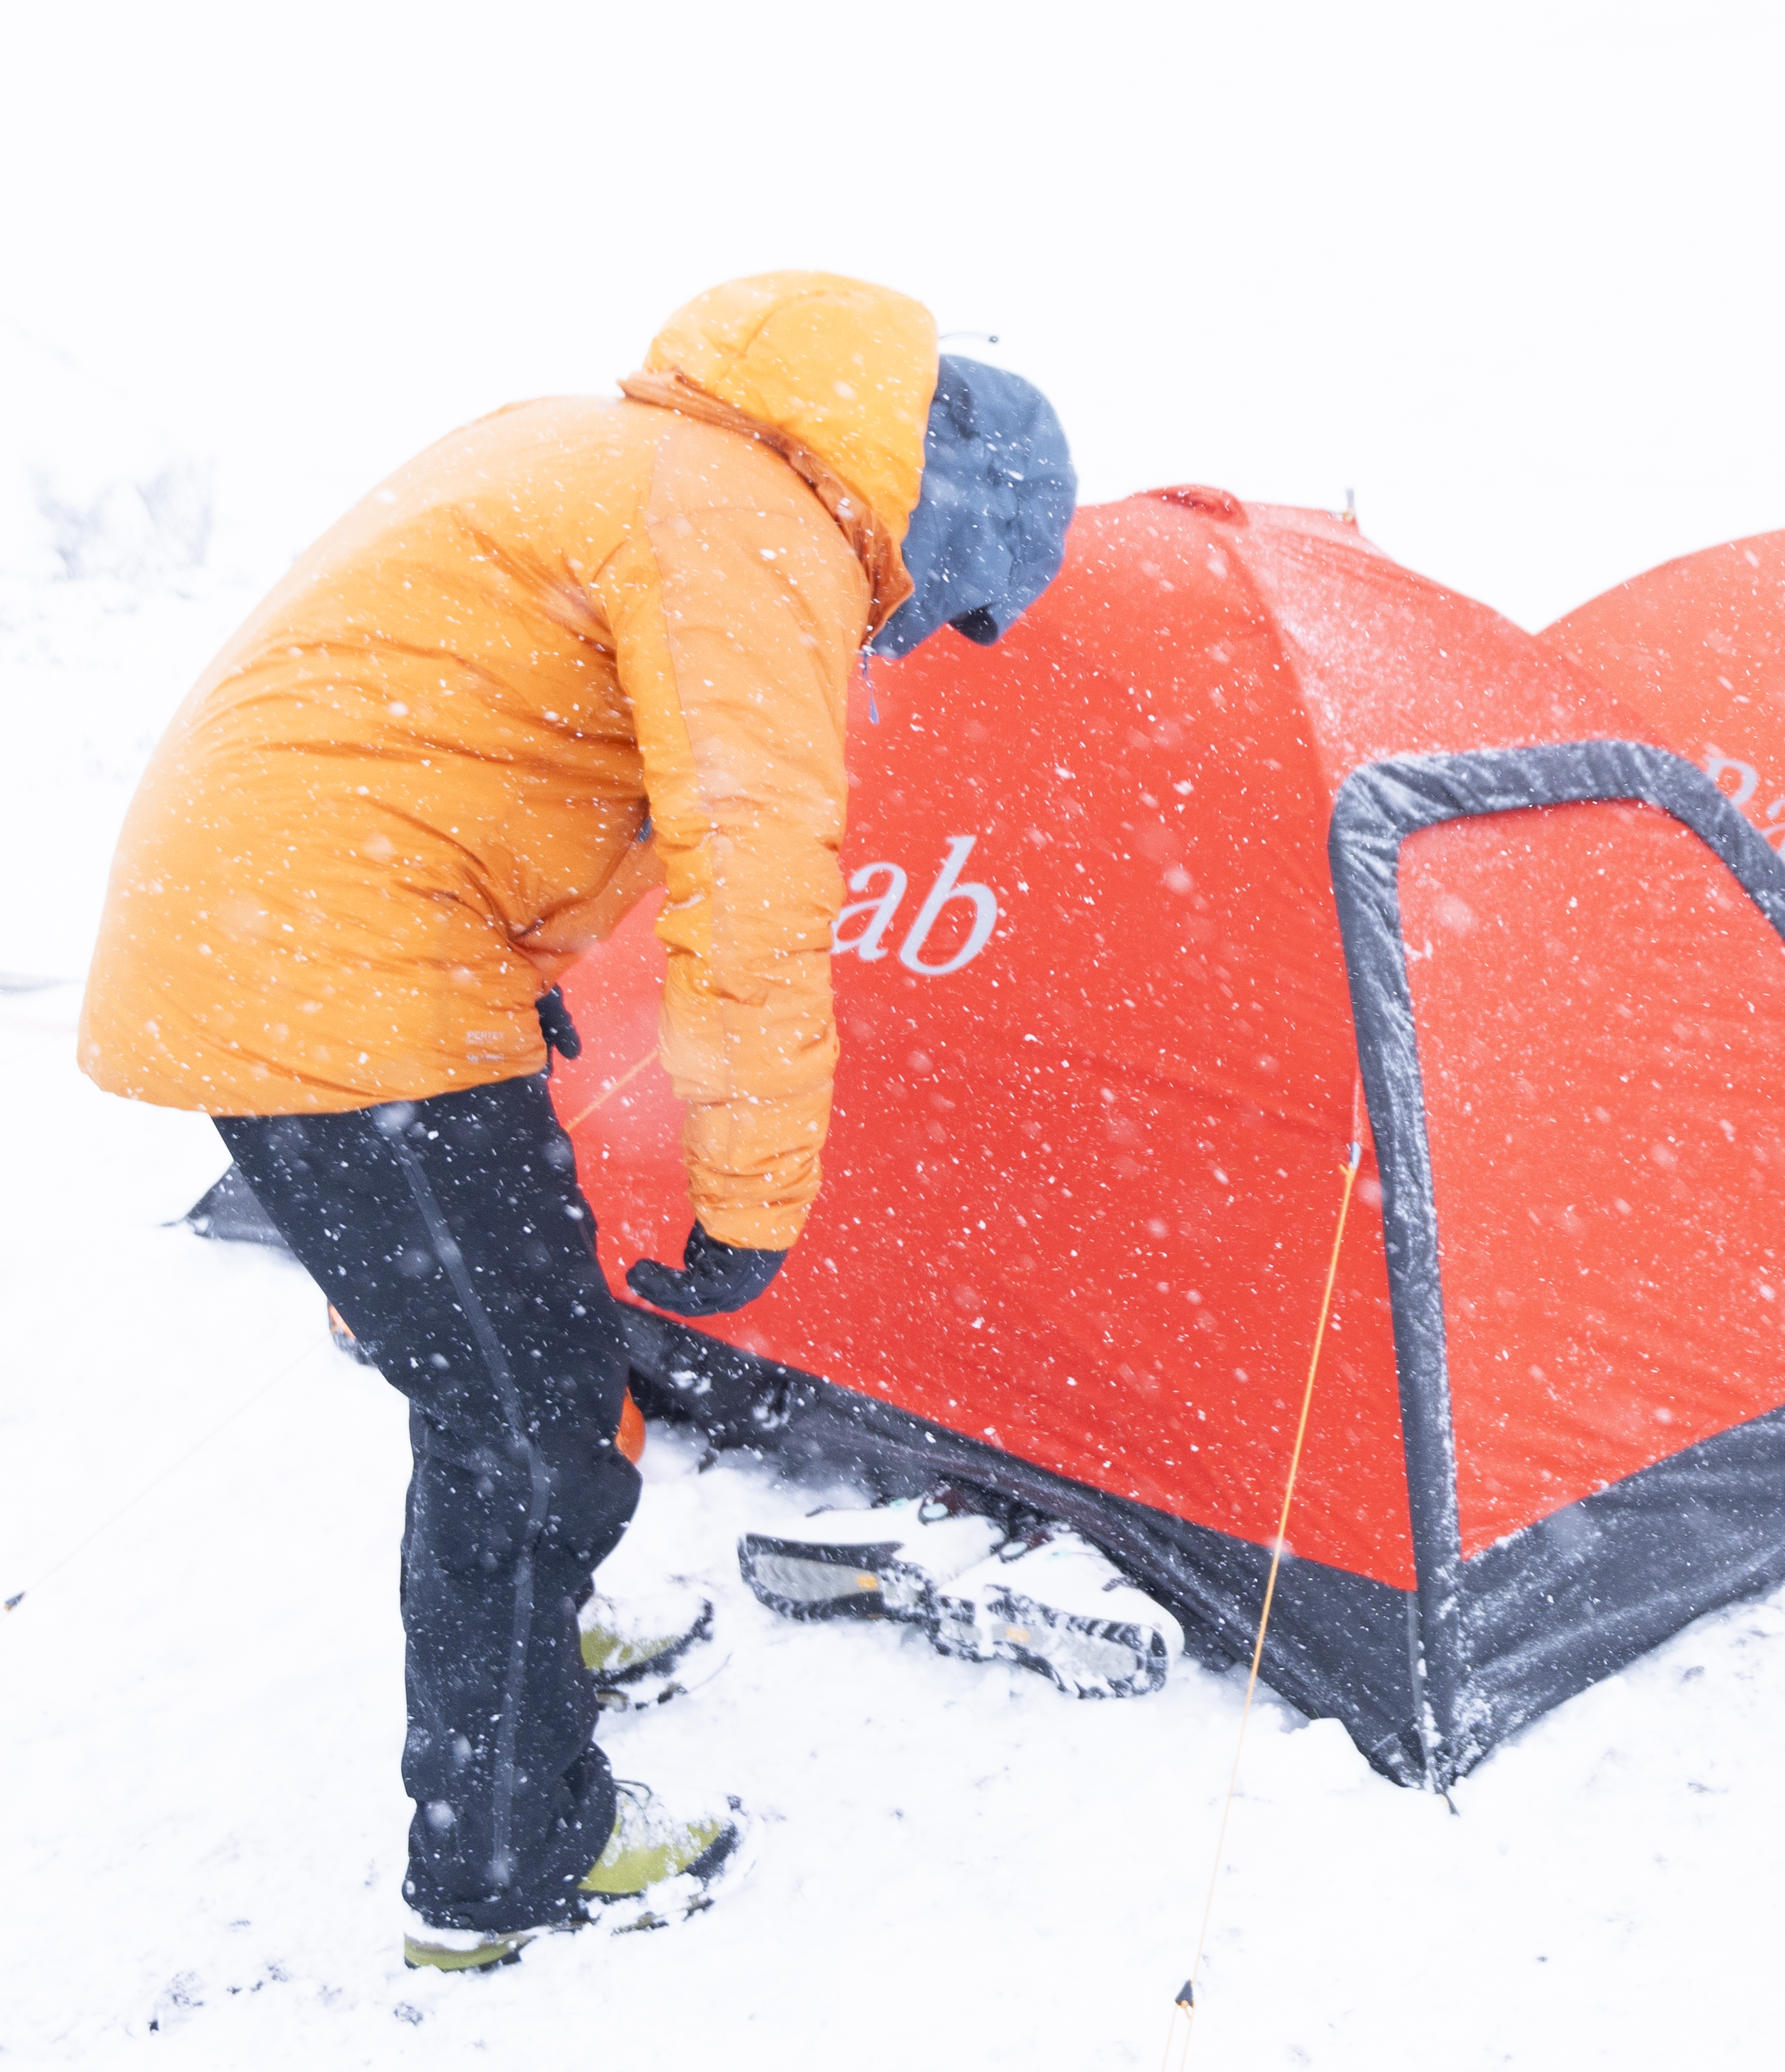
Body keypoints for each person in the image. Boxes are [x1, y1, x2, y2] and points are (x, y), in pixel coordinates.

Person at [78, 273, 1076, 1969]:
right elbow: (756, 888)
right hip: (339, 977)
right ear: (937, 507)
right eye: (935, 603)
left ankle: (539, 1644)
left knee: (520, 1370)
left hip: (297, 941)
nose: (903, 635)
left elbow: (453, 735)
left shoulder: (624, 451)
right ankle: (503, 1858)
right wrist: (756, 1191)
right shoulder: (756, 527)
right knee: (521, 1422)